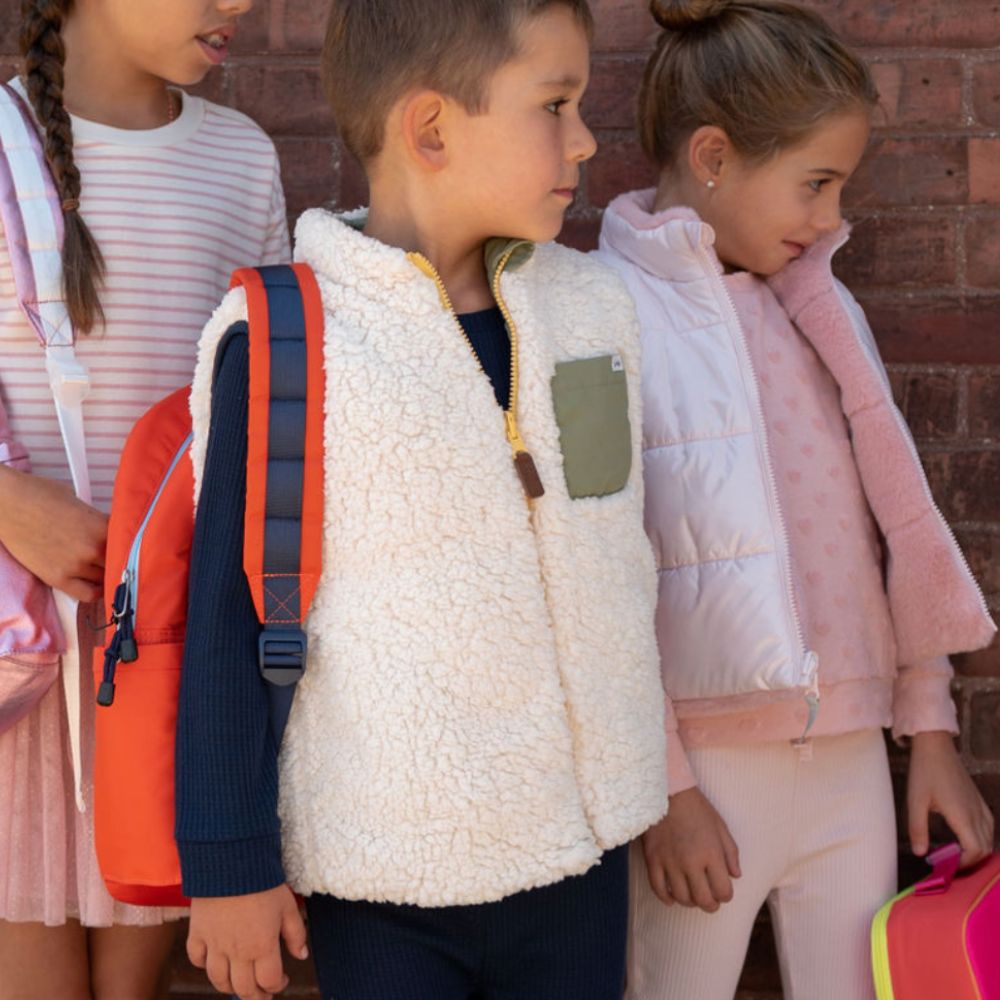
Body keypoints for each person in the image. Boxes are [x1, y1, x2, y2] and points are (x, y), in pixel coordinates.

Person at [175, 2, 669, 999]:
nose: (585, 139)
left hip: (581, 851)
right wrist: (230, 862)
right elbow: (228, 620)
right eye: (556, 104)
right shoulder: (286, 342)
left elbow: (620, 563)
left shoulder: (592, 312)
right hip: (382, 873)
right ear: (433, 127)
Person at [596, 2, 997, 998]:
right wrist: (665, 791)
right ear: (714, 155)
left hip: (850, 760)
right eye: (814, 184)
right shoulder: (599, 315)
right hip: (706, 775)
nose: (829, 219)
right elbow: (591, 576)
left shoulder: (821, 307)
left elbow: (888, 532)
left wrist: (929, 734)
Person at [0, 1, 289, 997]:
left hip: (161, 667)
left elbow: (261, 409)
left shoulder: (240, 158)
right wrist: (12, 505)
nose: (237, 6)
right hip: (15, 672)